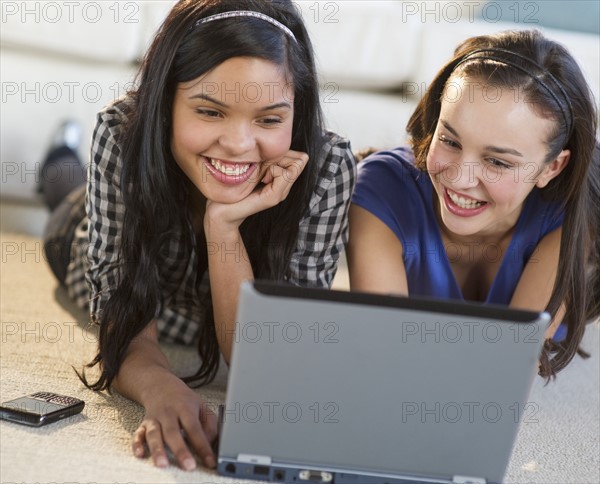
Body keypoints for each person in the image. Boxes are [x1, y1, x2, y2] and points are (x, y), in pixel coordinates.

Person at [43, 0, 356, 471]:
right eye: (210, 112)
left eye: (269, 120)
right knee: (65, 187)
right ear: (165, 103)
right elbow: (123, 314)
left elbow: (266, 361)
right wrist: (159, 385)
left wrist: (224, 226)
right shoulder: (122, 132)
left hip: (192, 311)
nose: (237, 144)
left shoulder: (327, 168)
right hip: (77, 236)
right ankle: (58, 154)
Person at [347, 30, 599, 380]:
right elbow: (388, 359)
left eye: (498, 162)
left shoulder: (572, 215)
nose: (460, 178)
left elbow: (503, 371)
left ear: (551, 167)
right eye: (449, 140)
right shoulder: (380, 194)